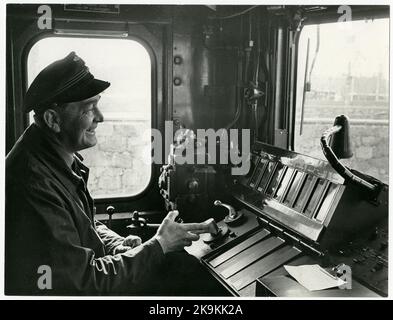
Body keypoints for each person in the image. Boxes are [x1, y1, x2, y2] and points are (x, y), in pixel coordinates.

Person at [5, 52, 216, 295]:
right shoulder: (33, 184)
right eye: (89, 109)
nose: (101, 118)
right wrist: (159, 246)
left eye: (98, 105)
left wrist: (116, 245)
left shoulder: (53, 158)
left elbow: (82, 223)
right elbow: (82, 284)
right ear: (53, 119)